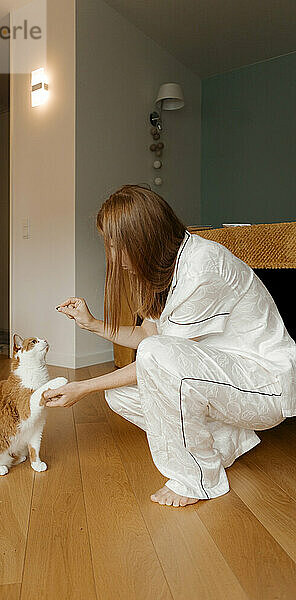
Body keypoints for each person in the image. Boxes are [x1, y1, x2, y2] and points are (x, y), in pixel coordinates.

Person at [42, 184, 296, 508]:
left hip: (265, 385)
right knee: (119, 394)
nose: (113, 257)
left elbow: (157, 354)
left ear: (146, 238)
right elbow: (149, 339)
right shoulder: (161, 273)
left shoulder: (202, 266)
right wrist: (92, 324)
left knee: (147, 362)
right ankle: (228, 443)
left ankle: (196, 480)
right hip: (223, 381)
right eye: (110, 245)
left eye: (119, 245)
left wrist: (82, 387)